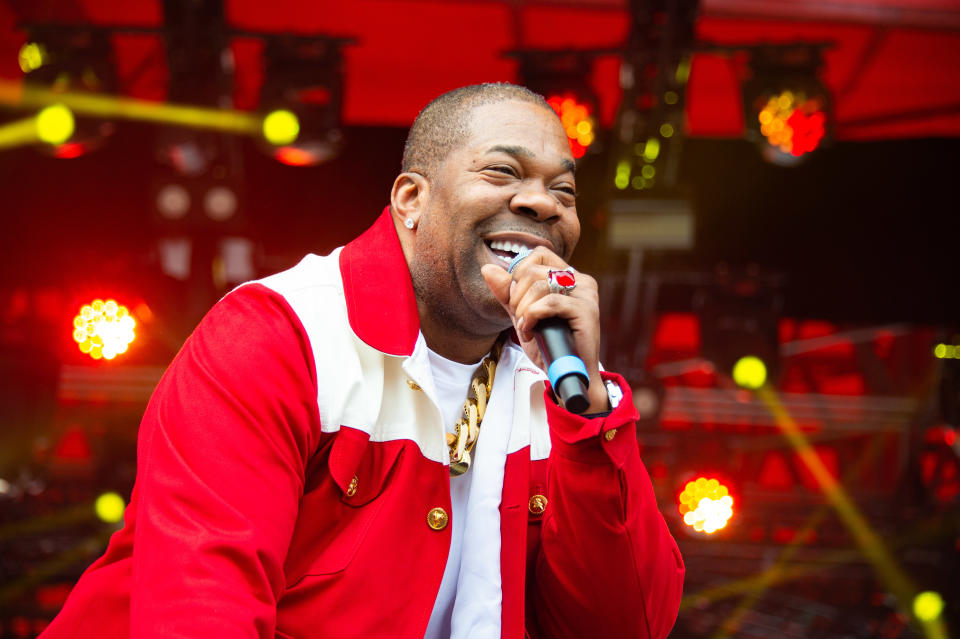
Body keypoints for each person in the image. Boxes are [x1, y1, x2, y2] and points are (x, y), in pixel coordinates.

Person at [40, 83, 684, 639]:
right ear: (410, 200)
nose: (543, 203)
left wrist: (592, 417)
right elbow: (203, 606)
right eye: (502, 172)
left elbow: (622, 624)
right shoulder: (280, 336)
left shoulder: (559, 391)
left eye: (563, 191)